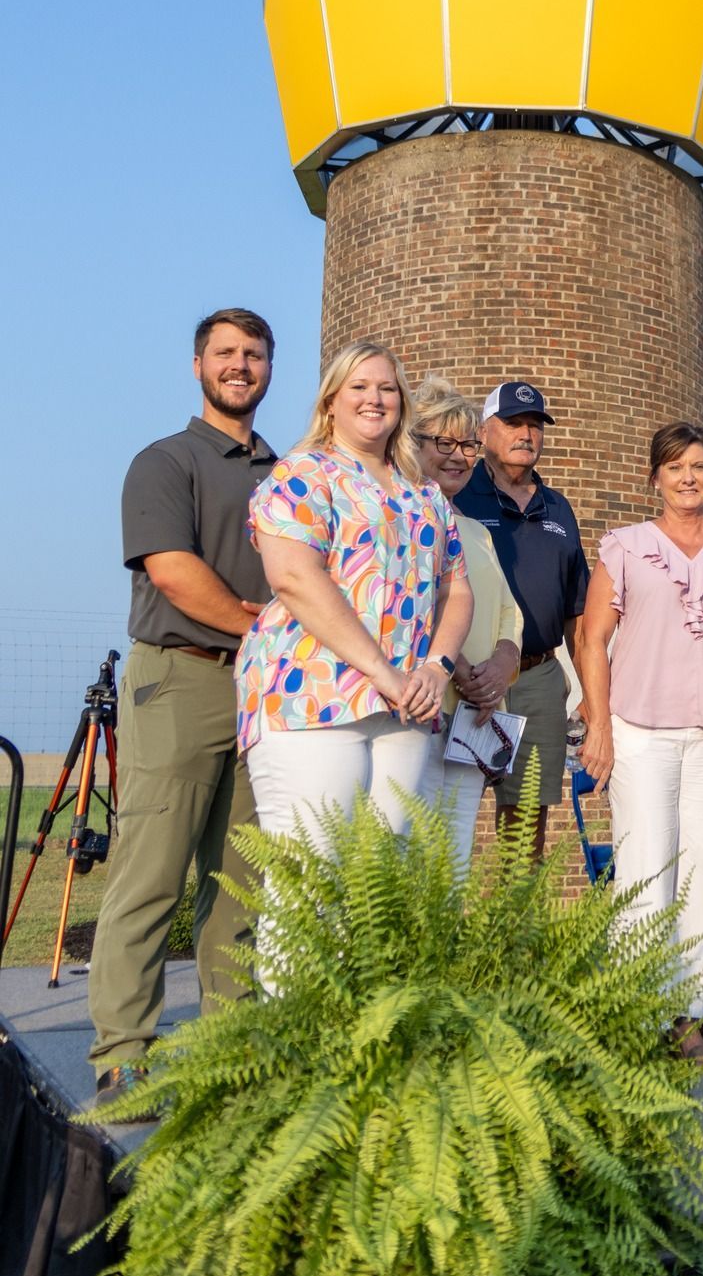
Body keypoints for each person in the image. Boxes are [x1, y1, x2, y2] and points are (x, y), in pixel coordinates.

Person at [89, 308, 277, 1106]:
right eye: (226, 353)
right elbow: (172, 570)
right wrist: (265, 626)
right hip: (182, 678)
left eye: (254, 354)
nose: (240, 365)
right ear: (198, 364)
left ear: (270, 367)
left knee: (240, 882)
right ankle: (124, 1050)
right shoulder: (165, 462)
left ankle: (229, 1045)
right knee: (151, 873)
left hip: (264, 689)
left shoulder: (290, 472)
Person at [236, 341, 474, 854]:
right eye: (359, 387)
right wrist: (380, 671)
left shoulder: (424, 494)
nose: (375, 398)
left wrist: (436, 667)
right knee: (313, 884)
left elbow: (455, 588)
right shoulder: (302, 474)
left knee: (382, 883)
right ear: (330, 403)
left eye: (387, 388)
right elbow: (295, 578)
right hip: (312, 696)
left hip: (406, 705)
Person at [577, 422, 703, 1055]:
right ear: (654, 476)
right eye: (674, 466)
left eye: (698, 465)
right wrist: (599, 725)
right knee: (646, 866)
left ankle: (696, 1014)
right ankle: (637, 1009)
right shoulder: (625, 548)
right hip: (639, 732)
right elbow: (591, 642)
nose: (688, 476)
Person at [454, 382, 589, 857]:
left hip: (536, 676)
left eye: (534, 424)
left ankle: (515, 930)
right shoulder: (457, 497)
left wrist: (589, 689)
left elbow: (579, 612)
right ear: (485, 432)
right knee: (448, 812)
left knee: (526, 821)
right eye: (513, 423)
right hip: (465, 678)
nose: (526, 434)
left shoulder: (559, 509)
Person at [411, 376, 523, 863]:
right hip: (421, 705)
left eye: (467, 445)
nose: (458, 456)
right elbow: (414, 604)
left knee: (452, 856)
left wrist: (500, 668)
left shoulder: (476, 531)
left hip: (473, 717)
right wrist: (459, 672)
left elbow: (507, 612)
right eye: (443, 442)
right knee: (407, 854)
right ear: (411, 444)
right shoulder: (401, 514)